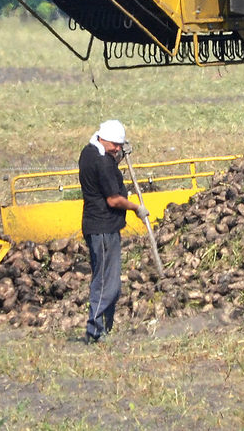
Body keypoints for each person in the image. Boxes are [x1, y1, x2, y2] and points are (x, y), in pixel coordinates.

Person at [77, 119, 146, 344]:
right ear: (102, 138)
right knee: (107, 282)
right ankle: (95, 330)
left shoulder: (88, 152)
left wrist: (117, 158)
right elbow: (114, 199)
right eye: (114, 145)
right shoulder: (102, 162)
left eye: (119, 145)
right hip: (103, 228)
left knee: (107, 279)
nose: (117, 148)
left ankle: (104, 329)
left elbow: (106, 171)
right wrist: (136, 208)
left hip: (94, 225)